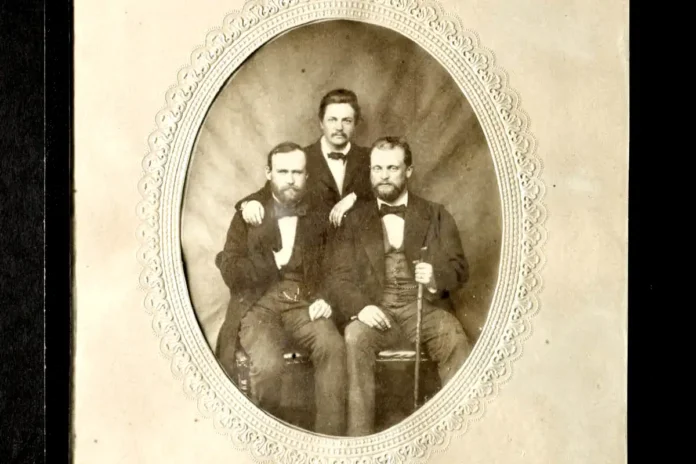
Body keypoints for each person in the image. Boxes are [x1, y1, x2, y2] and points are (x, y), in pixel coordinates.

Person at [324, 136, 471, 436]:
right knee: (354, 338)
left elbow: (459, 269)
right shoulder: (354, 219)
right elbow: (338, 276)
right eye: (377, 168)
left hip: (424, 309)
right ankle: (359, 441)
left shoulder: (435, 214)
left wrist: (434, 276)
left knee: (454, 338)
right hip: (377, 311)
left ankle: (460, 436)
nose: (384, 175)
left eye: (392, 168)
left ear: (409, 171)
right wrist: (360, 308)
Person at [215, 142, 346, 436]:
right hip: (259, 305)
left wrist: (326, 298)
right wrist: (271, 263)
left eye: (297, 172)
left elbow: (339, 265)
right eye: (283, 171)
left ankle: (330, 441)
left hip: (305, 302)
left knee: (333, 347)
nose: (290, 179)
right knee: (267, 365)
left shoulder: (320, 213)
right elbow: (230, 269)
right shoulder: (249, 212)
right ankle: (267, 443)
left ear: (306, 176)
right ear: (269, 173)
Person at [236, 89, 372, 228]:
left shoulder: (370, 157)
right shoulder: (301, 157)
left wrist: (354, 197)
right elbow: (271, 190)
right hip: (318, 245)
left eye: (347, 121)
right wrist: (251, 203)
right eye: (332, 120)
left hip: (359, 245)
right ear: (321, 123)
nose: (339, 127)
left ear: (355, 124)